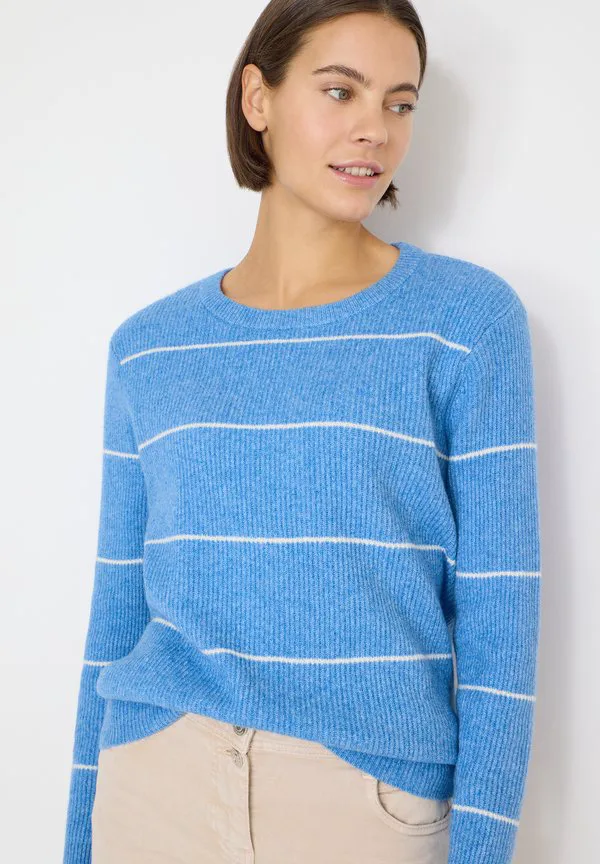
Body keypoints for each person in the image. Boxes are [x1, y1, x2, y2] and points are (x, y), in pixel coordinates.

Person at [62, 2, 542, 863]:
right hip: (151, 790)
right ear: (259, 98)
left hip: (363, 807)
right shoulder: (150, 348)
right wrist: (77, 838)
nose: (376, 130)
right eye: (340, 91)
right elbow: (116, 607)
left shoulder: (465, 322)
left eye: (400, 102)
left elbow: (501, 619)